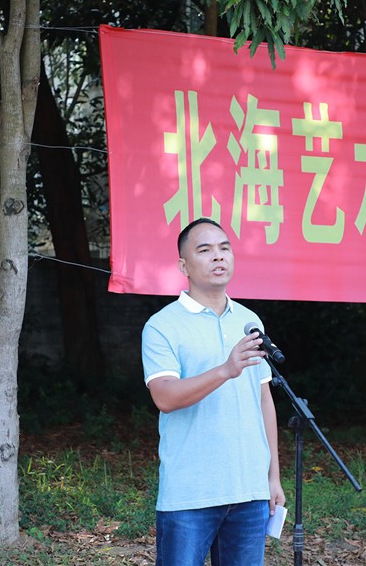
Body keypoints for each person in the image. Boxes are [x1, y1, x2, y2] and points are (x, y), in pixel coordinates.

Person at [141, 217, 285, 565]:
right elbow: (164, 397)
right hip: (189, 494)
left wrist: (273, 477)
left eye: (224, 248)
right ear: (183, 266)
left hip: (249, 491)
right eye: (205, 250)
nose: (218, 256)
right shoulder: (162, 325)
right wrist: (225, 370)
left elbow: (263, 400)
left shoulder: (249, 321)